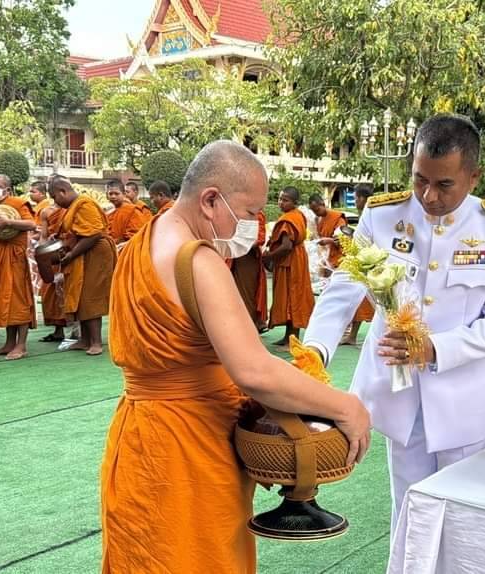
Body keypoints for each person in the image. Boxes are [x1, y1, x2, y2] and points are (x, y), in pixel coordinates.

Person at [102, 140, 371, 574]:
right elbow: (254, 371)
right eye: (249, 212)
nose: (253, 225)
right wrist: (346, 407)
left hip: (139, 437)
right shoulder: (197, 260)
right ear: (210, 200)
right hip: (188, 446)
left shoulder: (143, 241)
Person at [303, 114, 485, 530]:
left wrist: (435, 348)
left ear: (473, 177)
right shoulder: (383, 215)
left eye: (444, 185)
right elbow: (345, 286)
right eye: (420, 179)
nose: (428, 196)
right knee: (408, 514)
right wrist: (315, 350)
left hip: (461, 401)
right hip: (398, 395)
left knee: (461, 520)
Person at [48, 177, 117, 356]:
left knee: (89, 296)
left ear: (63, 191)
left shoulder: (84, 204)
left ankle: (96, 342)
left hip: (95, 252)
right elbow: (76, 231)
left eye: (55, 197)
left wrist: (72, 254)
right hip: (82, 252)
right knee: (79, 296)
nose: (55, 202)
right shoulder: (72, 207)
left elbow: (93, 234)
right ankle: (85, 339)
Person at [0, 174, 38, 360]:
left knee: (18, 301)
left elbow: (31, 224)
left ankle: (21, 345)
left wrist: (8, 222)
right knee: (4, 302)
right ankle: (9, 343)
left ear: (8, 190)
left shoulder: (17, 203)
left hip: (14, 260)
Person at [264, 186, 314, 346]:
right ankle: (288, 337)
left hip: (291, 262)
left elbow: (286, 246)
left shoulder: (289, 219)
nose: (281, 202)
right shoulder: (296, 215)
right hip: (296, 259)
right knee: (289, 297)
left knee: (292, 297)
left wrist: (269, 256)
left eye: (285, 200)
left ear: (295, 202)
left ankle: (293, 339)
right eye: (280, 199)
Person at [342, 184, 376, 345]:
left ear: (362, 198)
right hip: (363, 261)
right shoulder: (366, 214)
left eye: (355, 198)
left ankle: (353, 336)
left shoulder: (373, 213)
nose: (355, 202)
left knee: (364, 300)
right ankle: (351, 334)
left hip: (371, 263)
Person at [230, 210, 267, 331]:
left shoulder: (257, 214)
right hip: (233, 257)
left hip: (247, 258)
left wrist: (239, 244)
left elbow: (259, 239)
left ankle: (249, 326)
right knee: (234, 292)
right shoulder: (234, 210)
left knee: (247, 294)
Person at [38, 197, 68, 343]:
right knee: (51, 292)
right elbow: (43, 236)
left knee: (71, 290)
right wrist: (44, 252)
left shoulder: (72, 209)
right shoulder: (46, 211)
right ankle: (58, 331)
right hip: (53, 254)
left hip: (70, 251)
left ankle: (79, 331)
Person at [309, 193, 347, 277]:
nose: (316, 213)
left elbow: (343, 241)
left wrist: (329, 241)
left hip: (338, 259)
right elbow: (318, 236)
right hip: (324, 258)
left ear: (323, 204)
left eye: (317, 210)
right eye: (313, 211)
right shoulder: (317, 219)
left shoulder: (337, 218)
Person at [106, 180, 147, 247]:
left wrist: (121, 244)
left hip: (127, 248)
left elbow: (138, 234)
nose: (113, 196)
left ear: (124, 194)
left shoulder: (132, 211)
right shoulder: (108, 213)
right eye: (110, 194)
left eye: (116, 194)